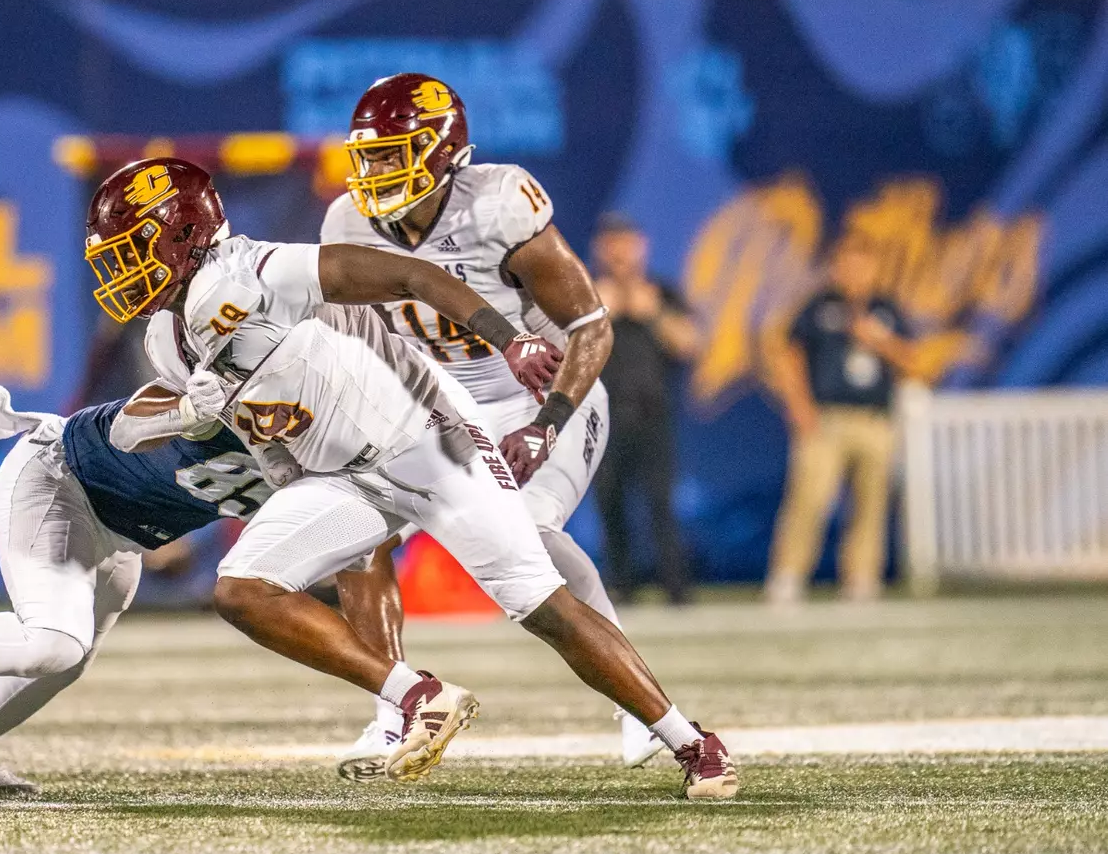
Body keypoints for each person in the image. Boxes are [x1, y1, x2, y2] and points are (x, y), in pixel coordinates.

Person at [96, 157, 738, 798]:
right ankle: (416, 697)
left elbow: (412, 274)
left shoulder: (261, 271)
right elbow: (137, 427)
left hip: (432, 442)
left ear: (183, 234)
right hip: (347, 474)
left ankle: (691, 741)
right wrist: (190, 413)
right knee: (242, 591)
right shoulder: (166, 341)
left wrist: (509, 340)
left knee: (542, 606)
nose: (121, 271)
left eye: (130, 250)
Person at [318, 74, 661, 777]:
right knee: (359, 537)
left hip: (540, 391)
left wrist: (548, 423)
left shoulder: (499, 203)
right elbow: (355, 337)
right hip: (434, 406)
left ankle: (638, 703)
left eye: (391, 154)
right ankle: (395, 712)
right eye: (369, 156)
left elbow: (591, 327)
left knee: (530, 533)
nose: (375, 171)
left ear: (442, 151)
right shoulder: (345, 222)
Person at [0, 385, 274, 791]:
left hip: (124, 531)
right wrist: (188, 409)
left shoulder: (309, 458)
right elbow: (134, 421)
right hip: (61, 476)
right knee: (54, 642)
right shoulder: (250, 391)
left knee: (70, 658)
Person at [765, 233, 921, 604]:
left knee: (871, 502)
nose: (854, 272)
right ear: (835, 268)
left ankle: (862, 578)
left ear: (874, 268)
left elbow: (913, 360)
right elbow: (790, 355)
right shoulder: (819, 307)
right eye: (846, 264)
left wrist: (879, 340)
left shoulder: (886, 308)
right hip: (826, 418)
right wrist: (799, 405)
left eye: (861, 265)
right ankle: (788, 575)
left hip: (873, 418)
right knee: (809, 498)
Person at [590, 212, 700, 605]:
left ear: (642, 247)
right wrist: (596, 314)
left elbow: (689, 343)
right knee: (610, 502)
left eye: (626, 242)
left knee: (661, 502)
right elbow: (559, 345)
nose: (619, 252)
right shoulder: (584, 293)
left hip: (653, 413)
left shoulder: (663, 293)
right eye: (611, 243)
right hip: (602, 415)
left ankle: (676, 587)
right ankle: (621, 585)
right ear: (600, 249)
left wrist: (653, 313)